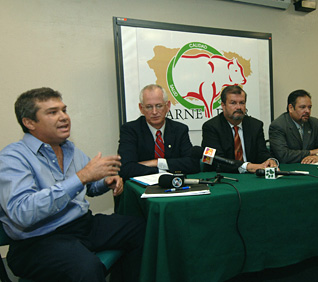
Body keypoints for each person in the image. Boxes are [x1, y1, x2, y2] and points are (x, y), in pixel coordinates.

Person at [0, 87, 145, 282]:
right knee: (87, 267)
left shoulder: (69, 148)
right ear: (29, 123)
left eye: (64, 110)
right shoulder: (12, 158)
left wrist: (104, 182)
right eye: (52, 112)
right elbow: (23, 213)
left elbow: (88, 187)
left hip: (81, 225)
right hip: (38, 240)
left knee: (143, 229)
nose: (64, 117)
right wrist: (82, 177)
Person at [118, 84, 199, 181]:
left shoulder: (179, 129)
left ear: (168, 106)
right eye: (149, 107)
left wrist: (156, 163)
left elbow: (192, 164)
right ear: (141, 108)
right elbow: (126, 169)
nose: (155, 112)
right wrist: (163, 172)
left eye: (159, 106)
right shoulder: (130, 130)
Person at [201, 85, 278, 173]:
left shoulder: (255, 125)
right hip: (223, 177)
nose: (238, 107)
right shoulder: (210, 127)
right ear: (223, 105)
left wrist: (269, 160)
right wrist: (247, 166)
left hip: (252, 178)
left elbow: (262, 153)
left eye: (242, 103)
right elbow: (214, 161)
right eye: (233, 103)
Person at [269, 89, 318, 164]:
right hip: (289, 170)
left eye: (309, 107)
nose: (307, 111)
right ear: (291, 108)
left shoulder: (314, 123)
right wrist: (311, 152)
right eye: (302, 107)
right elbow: (284, 156)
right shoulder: (278, 125)